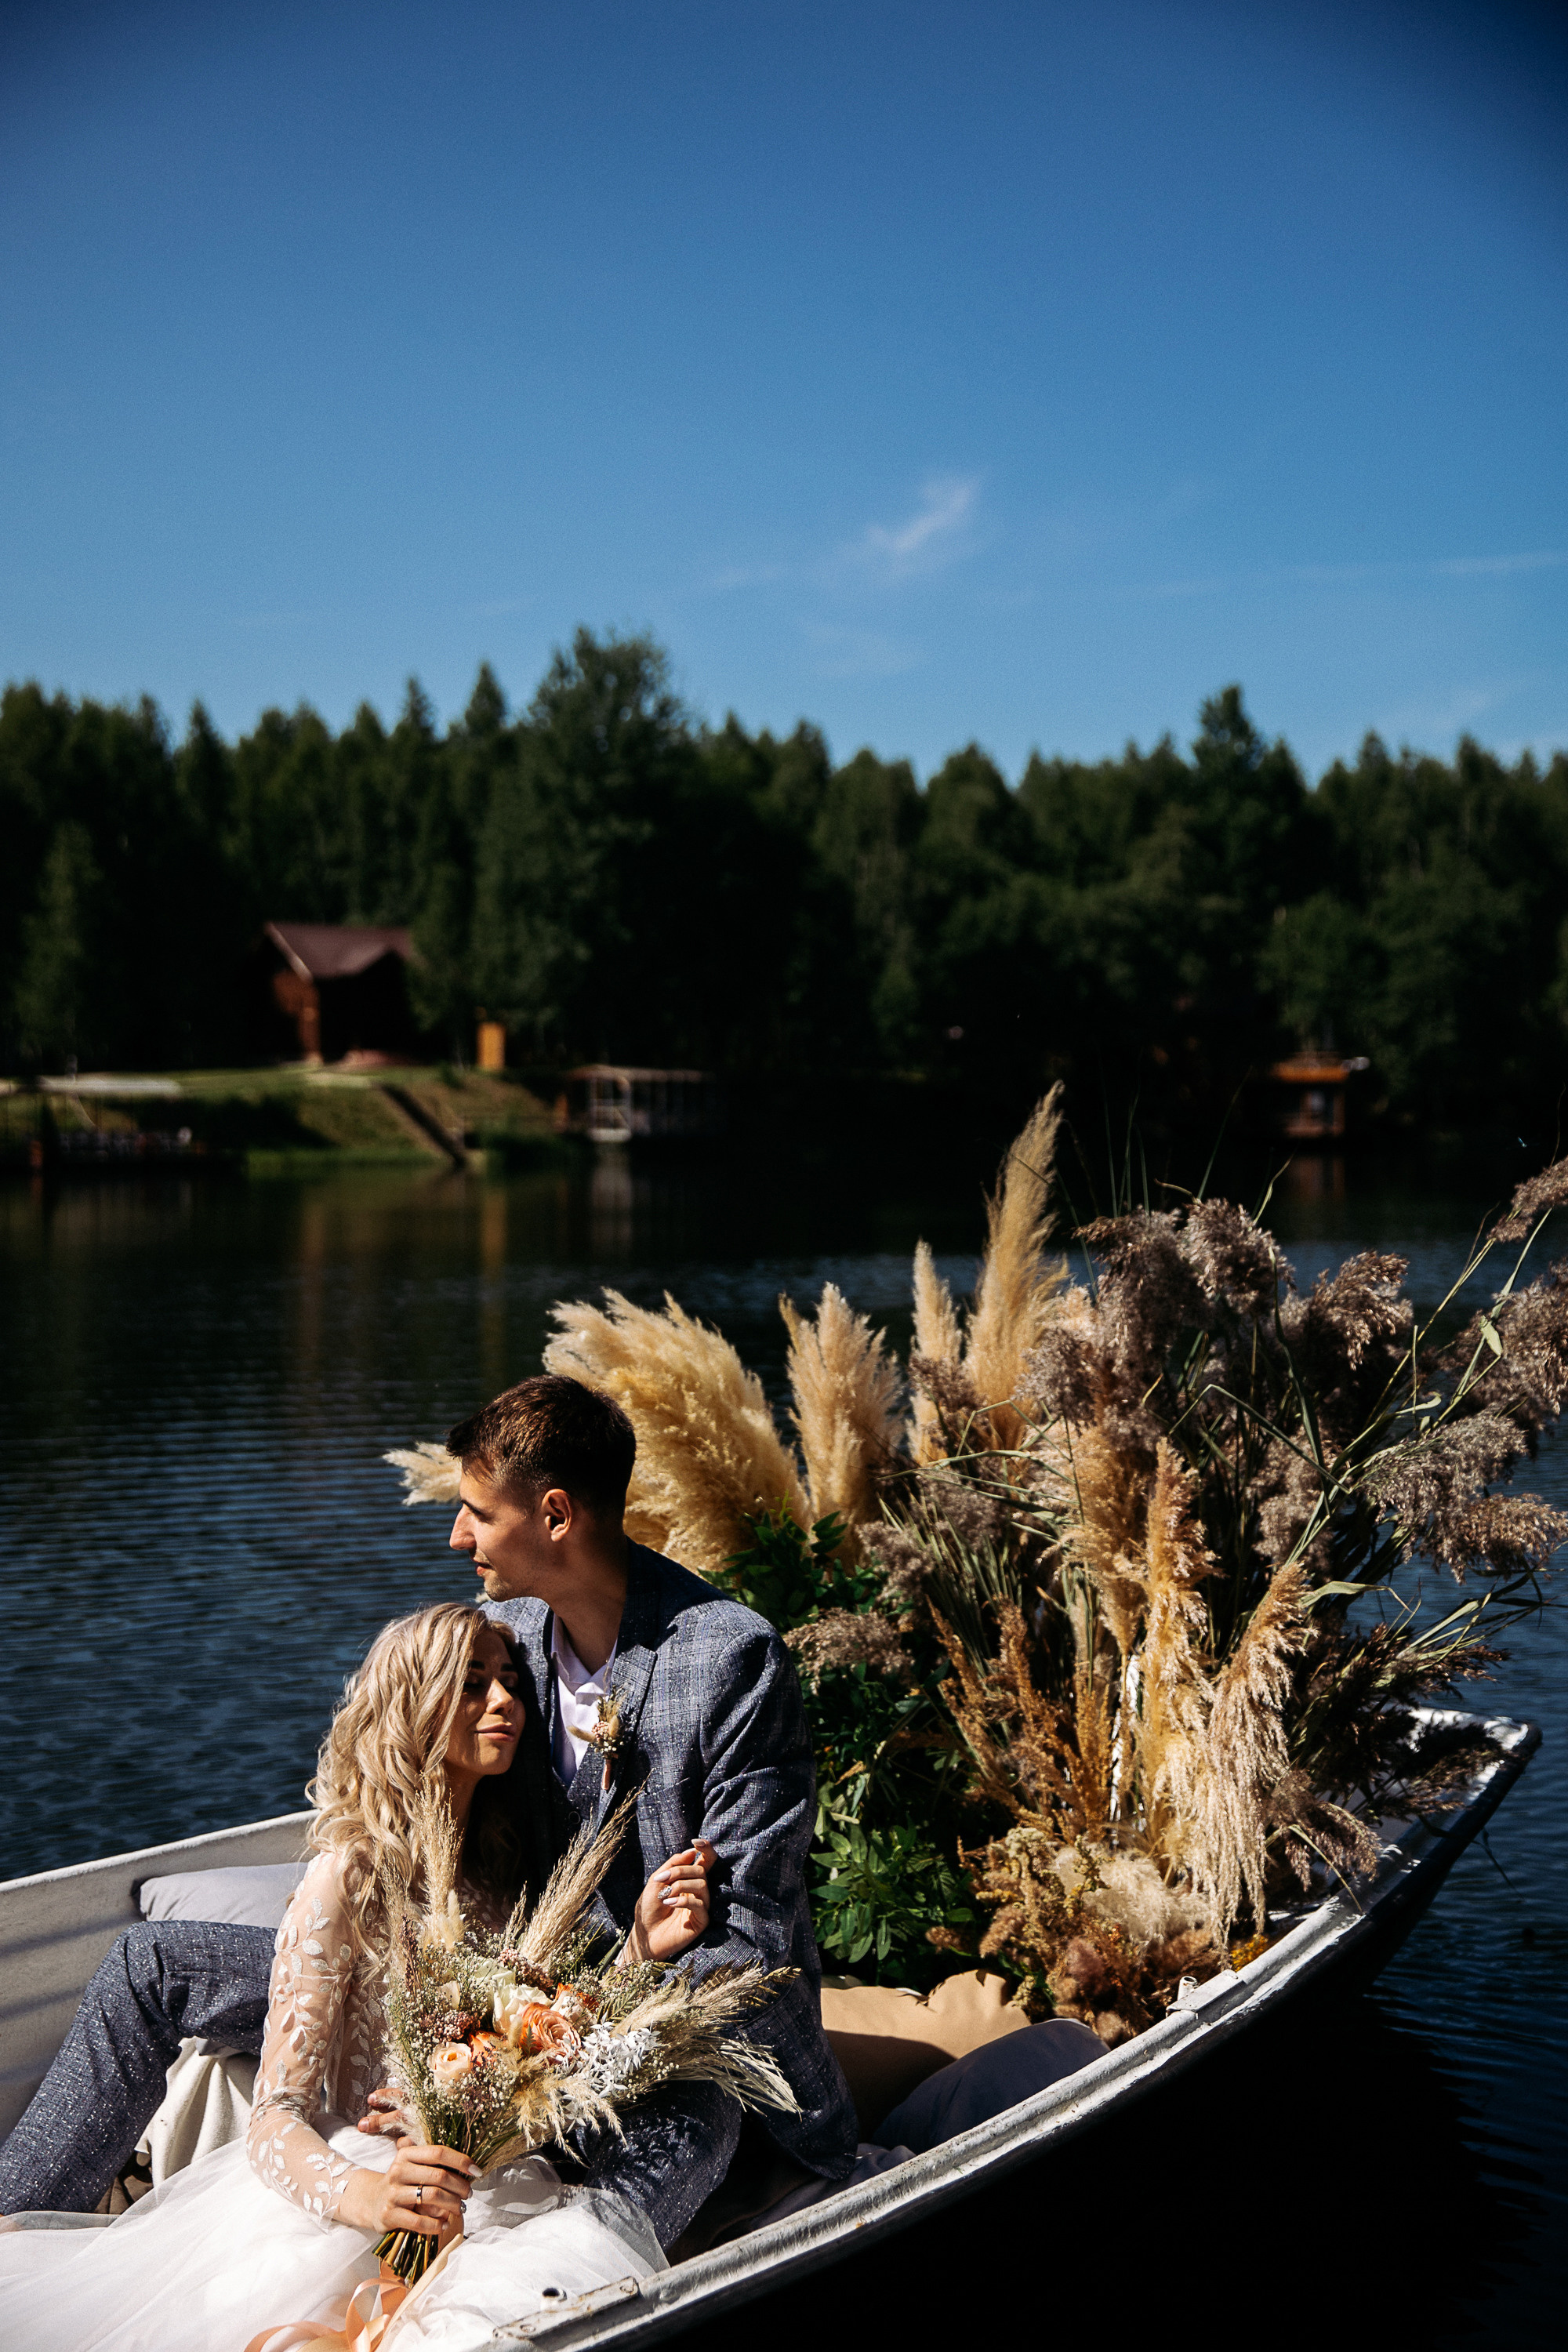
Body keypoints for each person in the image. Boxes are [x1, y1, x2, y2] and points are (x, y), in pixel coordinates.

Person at [0, 1375, 858, 2247]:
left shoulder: (726, 1661)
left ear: (555, 1516)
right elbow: (412, 1777)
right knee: (156, 1963)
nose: (458, 1536)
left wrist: (494, 2062)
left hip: (644, 2019)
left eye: (479, 1513)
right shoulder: (505, 1632)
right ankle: (10, 2221)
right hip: (468, 1972)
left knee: (694, 2106)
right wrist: (377, 1962)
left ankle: (546, 2299)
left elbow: (742, 1957)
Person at [0, 1602, 712, 2350]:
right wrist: (374, 2197)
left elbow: (536, 2041)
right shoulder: (347, 1880)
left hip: (488, 2188)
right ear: (412, 1705)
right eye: (471, 1684)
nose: (504, 1702)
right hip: (365, 2191)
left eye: (509, 1683)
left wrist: (638, 1946)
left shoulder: (510, 1884)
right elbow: (276, 2116)